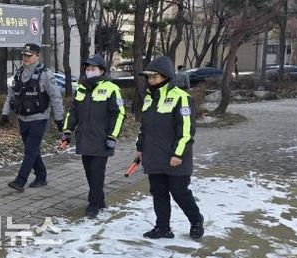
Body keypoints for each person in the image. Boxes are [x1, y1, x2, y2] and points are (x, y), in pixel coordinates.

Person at [135, 55, 204, 240]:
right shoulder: (149, 98)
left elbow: (187, 131)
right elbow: (144, 127)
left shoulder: (182, 97)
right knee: (159, 194)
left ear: (166, 76)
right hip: (154, 156)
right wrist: (140, 147)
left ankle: (196, 221)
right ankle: (162, 227)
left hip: (175, 158)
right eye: (149, 77)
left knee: (180, 193)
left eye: (155, 76)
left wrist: (178, 154)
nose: (151, 80)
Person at [60, 54, 125, 218]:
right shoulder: (81, 89)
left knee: (97, 173)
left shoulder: (111, 89)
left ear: (101, 70)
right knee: (90, 172)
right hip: (84, 138)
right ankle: (99, 199)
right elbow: (73, 112)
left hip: (102, 140)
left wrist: (112, 136)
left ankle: (93, 204)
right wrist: (67, 131)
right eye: (88, 69)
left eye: (93, 68)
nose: (90, 71)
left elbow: (118, 114)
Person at [1, 43, 64, 192]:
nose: (26, 58)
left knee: (30, 151)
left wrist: (59, 119)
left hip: (39, 118)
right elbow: (11, 95)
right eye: (24, 55)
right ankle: (41, 177)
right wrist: (5, 113)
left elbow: (55, 97)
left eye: (29, 55)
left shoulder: (45, 74)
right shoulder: (19, 73)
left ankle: (20, 181)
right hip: (23, 119)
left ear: (37, 56)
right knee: (32, 150)